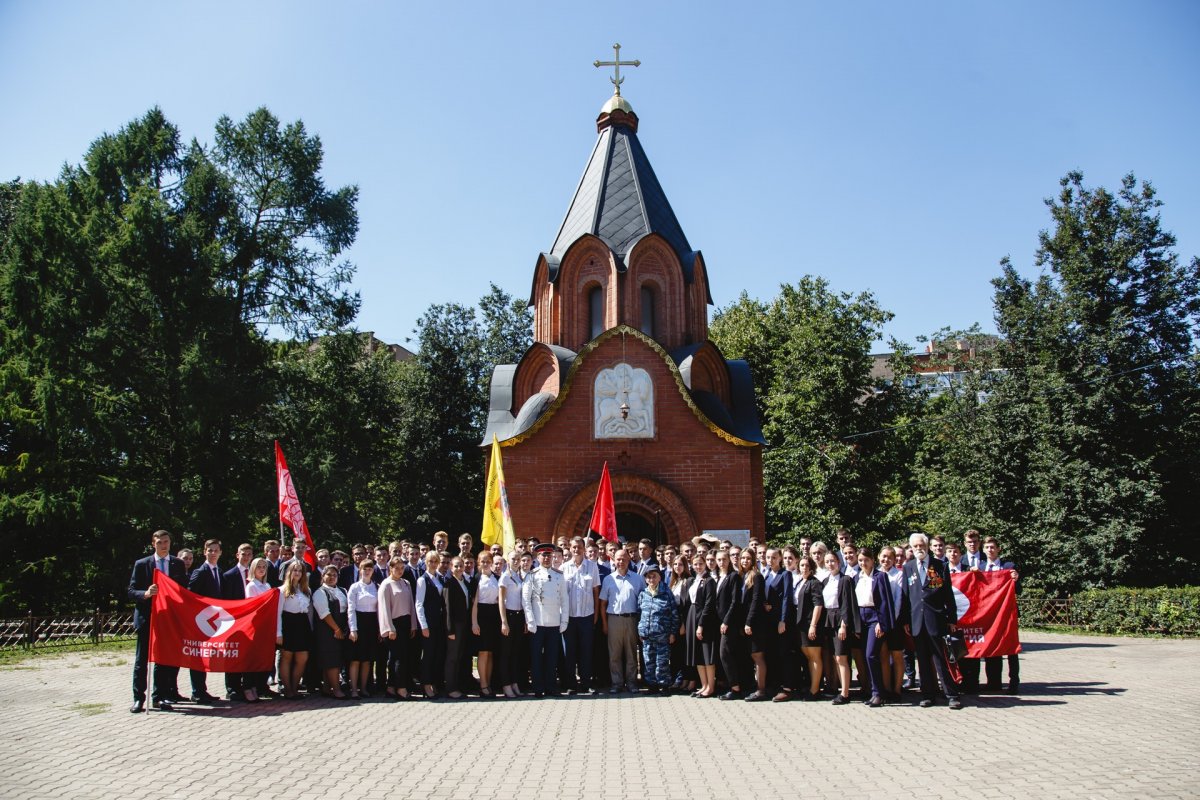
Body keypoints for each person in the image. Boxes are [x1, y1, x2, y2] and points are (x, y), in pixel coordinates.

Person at [901, 532, 963, 709]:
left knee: (941, 659)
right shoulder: (909, 567)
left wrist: (952, 619)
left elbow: (948, 595)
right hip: (916, 621)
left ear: (927, 547)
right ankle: (927, 695)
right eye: (916, 546)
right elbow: (906, 597)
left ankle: (951, 694)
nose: (919, 549)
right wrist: (906, 620)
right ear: (911, 548)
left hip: (936, 619)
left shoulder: (939, 566)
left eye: (922, 546)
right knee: (922, 660)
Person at [128, 530, 187, 712]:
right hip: (148, 617)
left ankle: (159, 697)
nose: (163, 545)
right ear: (153, 544)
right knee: (142, 660)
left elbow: (183, 590)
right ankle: (139, 698)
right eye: (160, 542)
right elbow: (131, 591)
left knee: (163, 660)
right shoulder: (142, 564)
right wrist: (145, 594)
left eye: (166, 542)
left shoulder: (177, 564)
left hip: (168, 619)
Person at [522, 542, 569, 697]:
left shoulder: (559, 575)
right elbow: (526, 600)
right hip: (538, 623)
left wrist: (564, 621)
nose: (547, 558)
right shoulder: (532, 575)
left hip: (554, 623)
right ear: (538, 557)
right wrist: (530, 621)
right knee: (536, 658)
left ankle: (551, 687)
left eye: (549, 555)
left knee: (552, 657)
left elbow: (564, 599)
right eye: (543, 555)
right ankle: (538, 688)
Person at [598, 547, 644, 693]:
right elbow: (603, 603)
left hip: (631, 619)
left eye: (624, 558)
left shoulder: (638, 579)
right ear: (613, 560)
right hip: (614, 620)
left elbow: (643, 602)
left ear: (629, 559)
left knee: (631, 653)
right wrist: (605, 624)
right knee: (614, 654)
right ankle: (617, 683)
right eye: (618, 559)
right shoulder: (608, 579)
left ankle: (631, 682)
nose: (621, 561)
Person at [855, 547, 895, 707]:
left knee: (871, 655)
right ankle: (873, 691)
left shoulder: (880, 576)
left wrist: (881, 622)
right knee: (865, 656)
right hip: (861, 617)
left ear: (872, 561)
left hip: (874, 618)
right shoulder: (857, 577)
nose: (863, 563)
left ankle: (879, 693)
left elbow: (885, 601)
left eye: (866, 560)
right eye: (860, 560)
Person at [561, 536, 600, 695]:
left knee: (586, 651)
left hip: (587, 615)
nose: (576, 550)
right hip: (569, 617)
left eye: (579, 547)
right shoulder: (563, 568)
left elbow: (596, 592)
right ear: (570, 549)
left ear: (584, 549)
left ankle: (586, 683)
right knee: (569, 652)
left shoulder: (592, 567)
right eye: (574, 547)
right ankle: (571, 685)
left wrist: (596, 614)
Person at [981, 536, 1021, 694]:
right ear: (983, 550)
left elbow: (1018, 590)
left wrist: (1015, 580)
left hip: (1007, 613)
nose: (990, 550)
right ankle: (994, 682)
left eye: (992, 547)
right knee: (991, 645)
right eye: (987, 547)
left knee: (1011, 648)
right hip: (990, 614)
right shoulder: (981, 567)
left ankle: (1014, 682)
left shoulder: (1008, 566)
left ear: (998, 549)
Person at [186, 538, 224, 703]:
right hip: (201, 620)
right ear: (204, 552)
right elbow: (191, 596)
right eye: (210, 550)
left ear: (220, 553)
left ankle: (203, 690)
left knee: (206, 656)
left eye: (216, 550)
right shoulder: (199, 572)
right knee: (198, 656)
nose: (213, 553)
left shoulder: (220, 572)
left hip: (214, 620)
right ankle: (197, 691)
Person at [783, 553, 824, 702]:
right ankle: (811, 688)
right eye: (802, 565)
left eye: (807, 565)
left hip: (810, 625)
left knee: (814, 657)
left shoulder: (814, 583)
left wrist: (813, 625)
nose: (804, 568)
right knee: (808, 657)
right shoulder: (801, 581)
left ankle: (814, 691)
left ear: (812, 567)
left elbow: (818, 605)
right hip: (800, 626)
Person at [377, 556, 418, 699]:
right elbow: (384, 608)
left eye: (402, 568)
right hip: (394, 624)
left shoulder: (406, 583)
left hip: (406, 623)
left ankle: (391, 687)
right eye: (397, 568)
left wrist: (413, 624)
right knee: (398, 657)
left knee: (400, 657)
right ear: (390, 568)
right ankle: (401, 688)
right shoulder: (386, 585)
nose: (400, 571)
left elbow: (411, 605)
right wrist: (389, 628)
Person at [822, 551, 859, 705]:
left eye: (833, 561)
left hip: (840, 620)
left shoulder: (845, 580)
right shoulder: (825, 581)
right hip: (828, 620)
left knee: (841, 657)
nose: (830, 564)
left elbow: (847, 603)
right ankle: (839, 689)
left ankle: (845, 693)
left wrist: (844, 624)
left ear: (838, 562)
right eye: (827, 561)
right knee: (834, 657)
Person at [636, 563, 678, 692]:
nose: (651, 580)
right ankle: (652, 685)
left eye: (654, 577)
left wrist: (672, 633)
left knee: (662, 662)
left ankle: (664, 685)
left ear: (659, 577)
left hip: (662, 635)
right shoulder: (643, 593)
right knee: (649, 661)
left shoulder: (666, 593)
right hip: (647, 635)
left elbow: (674, 614)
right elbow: (639, 613)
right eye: (648, 577)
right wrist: (640, 630)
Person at [221, 543, 255, 702]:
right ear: (237, 555)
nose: (246, 556)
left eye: (249, 554)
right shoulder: (228, 575)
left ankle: (248, 686)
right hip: (234, 621)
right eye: (243, 554)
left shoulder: (257, 575)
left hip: (252, 621)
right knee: (233, 654)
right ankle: (232, 688)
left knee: (248, 655)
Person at [276, 560, 313, 700]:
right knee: (287, 657)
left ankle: (294, 686)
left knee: (302, 657)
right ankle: (288, 689)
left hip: (302, 624)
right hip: (288, 623)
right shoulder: (282, 590)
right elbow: (278, 613)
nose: (297, 573)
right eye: (295, 570)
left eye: (300, 571)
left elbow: (308, 612)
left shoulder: (306, 590)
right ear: (289, 572)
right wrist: (278, 633)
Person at [312, 565, 349, 699]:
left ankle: (327, 688)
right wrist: (336, 629)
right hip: (327, 630)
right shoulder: (320, 592)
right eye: (329, 575)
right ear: (323, 577)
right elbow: (324, 613)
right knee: (331, 660)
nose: (332, 577)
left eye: (334, 575)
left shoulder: (343, 590)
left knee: (337, 659)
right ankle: (337, 689)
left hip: (341, 629)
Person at [739, 548, 770, 702]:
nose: (745, 561)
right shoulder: (743, 576)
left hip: (756, 622)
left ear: (753, 560)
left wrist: (749, 622)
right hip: (746, 621)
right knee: (752, 655)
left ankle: (761, 689)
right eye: (742, 558)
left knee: (758, 656)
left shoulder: (757, 576)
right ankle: (755, 686)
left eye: (748, 558)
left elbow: (756, 601)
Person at [498, 550, 531, 698]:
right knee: (506, 653)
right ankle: (506, 684)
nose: (516, 561)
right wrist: (504, 622)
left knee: (515, 653)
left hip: (518, 617)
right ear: (508, 560)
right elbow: (501, 601)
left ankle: (514, 682)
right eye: (513, 559)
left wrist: (524, 620)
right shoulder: (505, 577)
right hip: (509, 617)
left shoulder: (518, 576)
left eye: (518, 558)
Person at [685, 552, 718, 697]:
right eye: (695, 564)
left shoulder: (709, 580)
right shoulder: (693, 580)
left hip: (703, 619)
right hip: (692, 615)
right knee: (697, 653)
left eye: (701, 564)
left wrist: (701, 624)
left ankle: (711, 686)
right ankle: (703, 685)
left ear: (706, 564)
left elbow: (709, 604)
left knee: (706, 653)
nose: (698, 566)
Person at [714, 549, 745, 700]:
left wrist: (727, 621)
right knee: (728, 654)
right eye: (718, 560)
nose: (721, 562)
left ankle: (735, 688)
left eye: (724, 559)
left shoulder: (734, 577)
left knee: (724, 653)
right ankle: (732, 685)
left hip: (729, 623)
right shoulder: (721, 577)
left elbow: (735, 601)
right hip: (720, 622)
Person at [470, 550, 502, 697]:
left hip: (494, 616)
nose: (485, 564)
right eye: (482, 561)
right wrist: (474, 623)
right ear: (478, 563)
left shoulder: (497, 578)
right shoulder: (476, 578)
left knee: (490, 652)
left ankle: (488, 684)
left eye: (488, 561)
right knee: (482, 652)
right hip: (481, 616)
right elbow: (474, 604)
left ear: (491, 562)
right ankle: (482, 686)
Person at [346, 559, 380, 699]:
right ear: (360, 570)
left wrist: (379, 628)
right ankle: (354, 689)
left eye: (370, 569)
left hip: (372, 624)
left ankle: (364, 688)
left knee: (367, 660)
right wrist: (353, 629)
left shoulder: (377, 587)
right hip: (358, 623)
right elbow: (351, 609)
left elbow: (379, 609)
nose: (367, 571)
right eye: (364, 569)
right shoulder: (354, 587)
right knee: (355, 659)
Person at [242, 557, 274, 702]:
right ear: (253, 569)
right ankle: (248, 687)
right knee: (252, 659)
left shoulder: (267, 585)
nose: (261, 569)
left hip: (266, 626)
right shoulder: (251, 586)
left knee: (262, 659)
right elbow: (252, 606)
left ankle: (257, 686)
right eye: (259, 566)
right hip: (256, 625)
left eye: (264, 567)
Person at [878, 546, 907, 700]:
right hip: (880, 624)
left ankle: (897, 689)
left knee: (897, 656)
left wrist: (890, 621)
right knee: (883, 656)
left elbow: (898, 600)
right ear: (878, 557)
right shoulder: (875, 574)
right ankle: (887, 689)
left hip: (894, 623)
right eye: (883, 556)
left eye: (890, 557)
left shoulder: (899, 575)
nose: (886, 560)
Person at [442, 555, 474, 699]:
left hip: (464, 625)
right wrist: (450, 630)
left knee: (460, 657)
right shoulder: (449, 583)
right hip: (454, 626)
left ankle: (458, 686)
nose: (459, 568)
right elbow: (448, 609)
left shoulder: (465, 582)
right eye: (456, 566)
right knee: (452, 658)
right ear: (451, 567)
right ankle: (451, 688)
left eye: (461, 565)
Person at [668, 554, 694, 693]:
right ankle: (678, 680)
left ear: (685, 566)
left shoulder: (689, 581)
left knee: (685, 651)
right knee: (676, 653)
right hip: (673, 620)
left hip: (683, 620)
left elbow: (688, 604)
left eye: (680, 564)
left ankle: (687, 679)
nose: (678, 567)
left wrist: (683, 624)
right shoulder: (673, 581)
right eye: (675, 564)